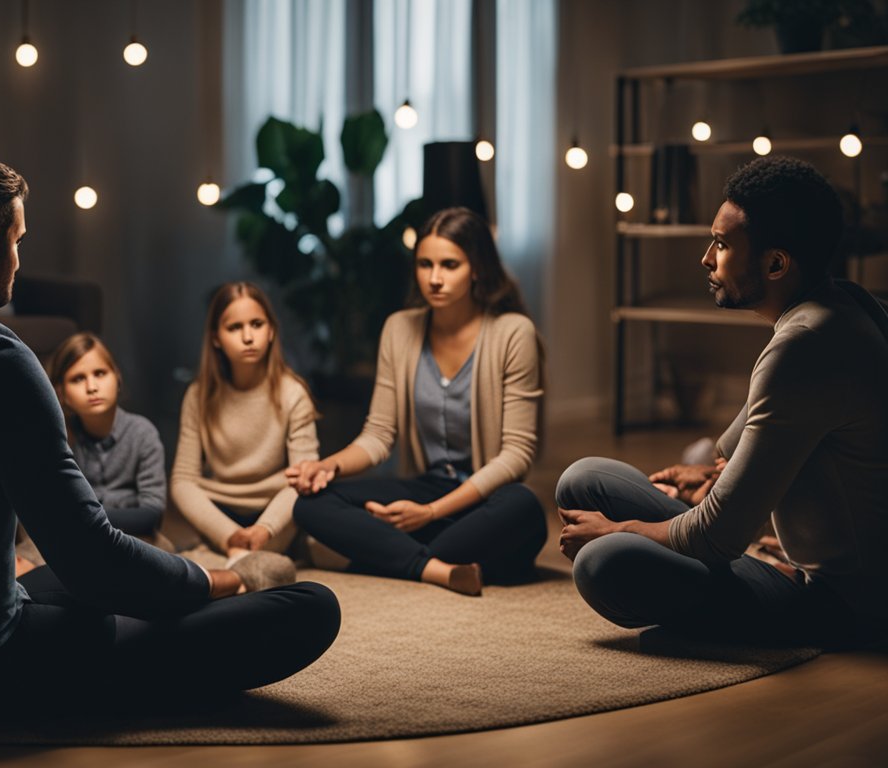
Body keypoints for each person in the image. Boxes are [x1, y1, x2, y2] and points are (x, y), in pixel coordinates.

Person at [0, 157, 339, 703]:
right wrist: (214, 581)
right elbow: (90, 557)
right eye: (17, 240)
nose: (17, 258)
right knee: (311, 607)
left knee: (57, 583)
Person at [557, 156, 888, 648]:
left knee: (601, 560)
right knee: (585, 480)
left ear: (776, 263)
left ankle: (746, 624)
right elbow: (741, 448)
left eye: (723, 244)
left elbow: (716, 537)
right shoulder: (847, 302)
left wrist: (615, 528)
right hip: (810, 570)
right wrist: (707, 476)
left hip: (842, 607)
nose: (706, 259)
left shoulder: (804, 346)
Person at [289, 207, 547, 596]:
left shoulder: (513, 333)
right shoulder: (399, 328)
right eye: (425, 264)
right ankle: (435, 567)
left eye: (450, 265)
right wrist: (327, 466)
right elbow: (378, 434)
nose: (435, 278)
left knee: (524, 508)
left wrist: (429, 514)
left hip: (483, 501)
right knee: (310, 504)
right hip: (427, 487)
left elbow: (516, 455)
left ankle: (386, 556)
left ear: (476, 267)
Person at [170, 281, 319, 578]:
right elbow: (183, 481)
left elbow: (305, 476)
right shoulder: (198, 396)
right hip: (221, 512)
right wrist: (228, 534)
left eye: (257, 324)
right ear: (215, 339)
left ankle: (245, 563)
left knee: (312, 501)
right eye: (234, 328)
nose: (248, 337)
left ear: (272, 331)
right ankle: (240, 562)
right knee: (180, 563)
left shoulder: (293, 393)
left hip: (274, 513)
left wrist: (265, 529)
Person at [47, 332, 165, 540]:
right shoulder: (60, 440)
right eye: (78, 379)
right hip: (75, 538)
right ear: (62, 393)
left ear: (117, 378)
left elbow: (152, 514)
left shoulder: (142, 433)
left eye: (100, 373)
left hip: (136, 536)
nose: (92, 387)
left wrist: (85, 518)